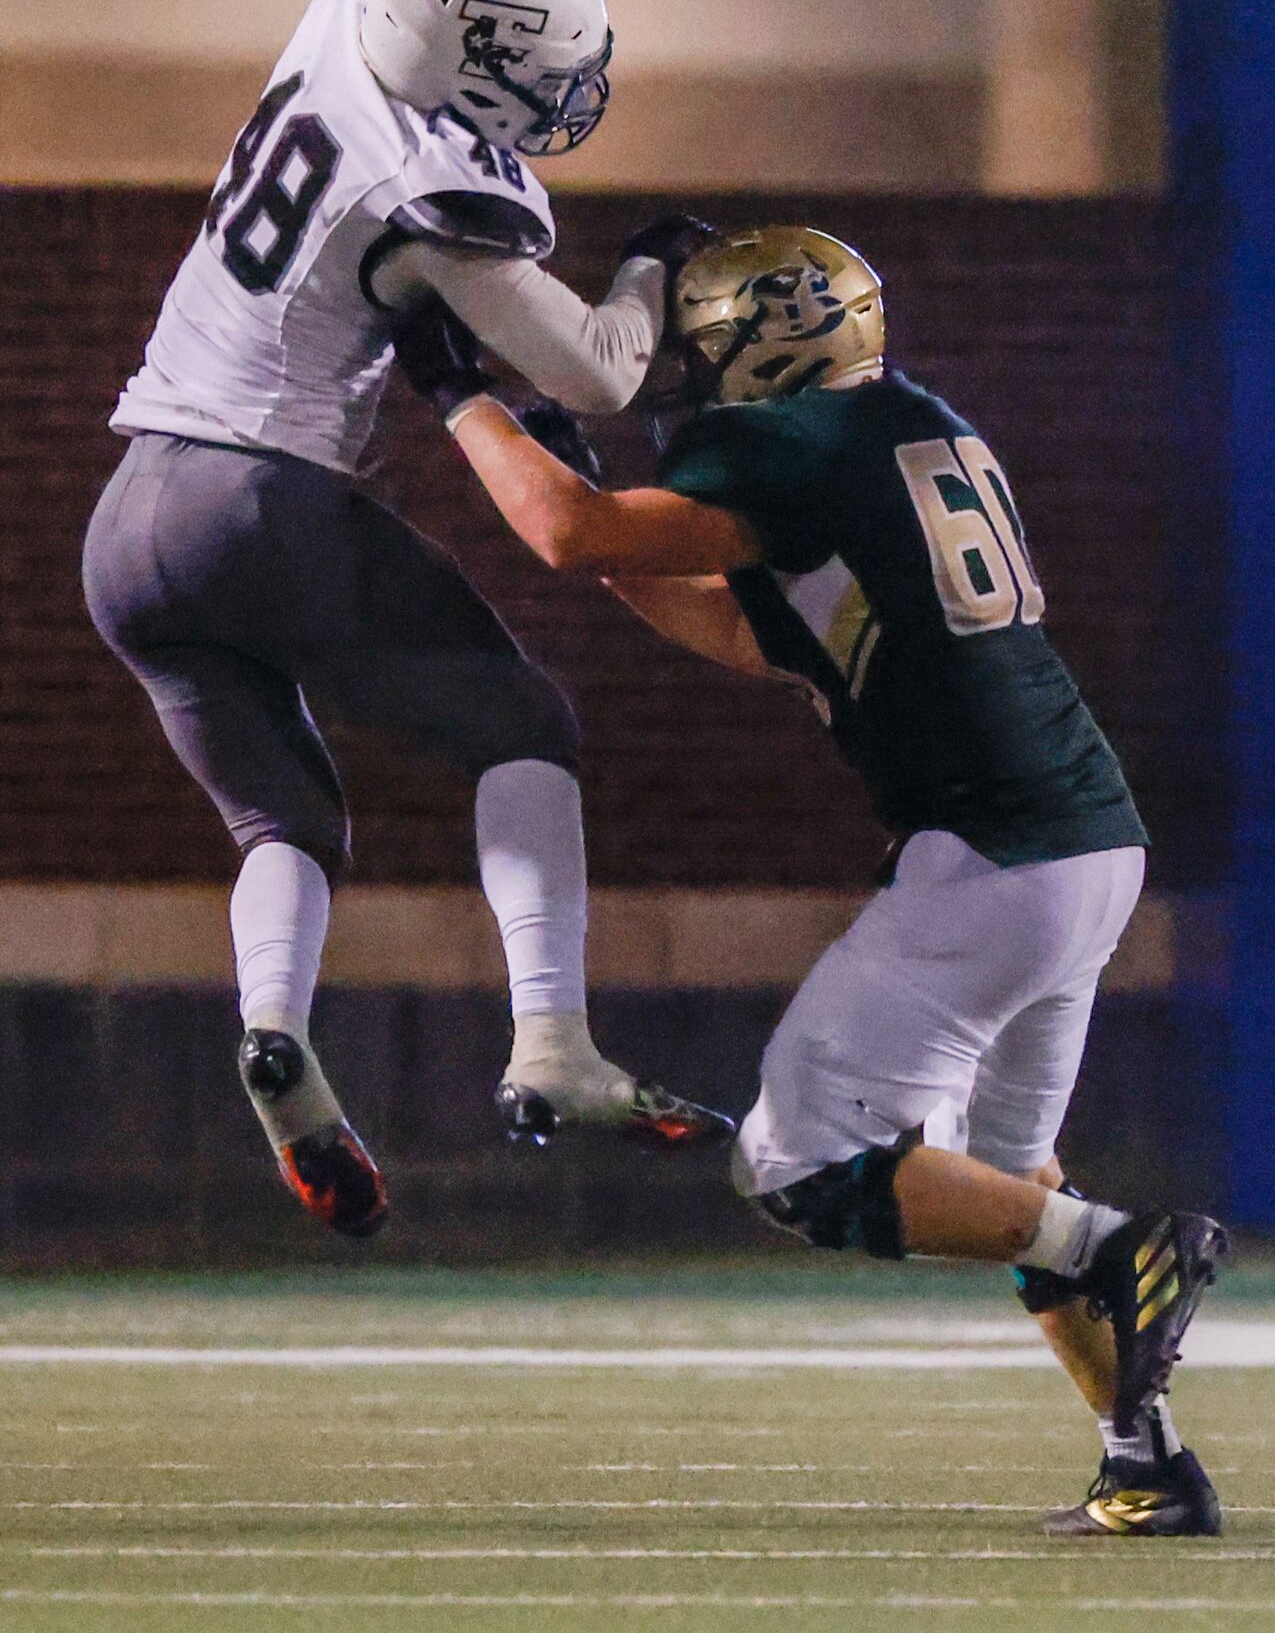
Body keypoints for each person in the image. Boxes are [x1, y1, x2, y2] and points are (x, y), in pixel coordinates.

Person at [79, 0, 879, 1237]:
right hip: (260, 496)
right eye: (553, 69)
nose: (577, 78)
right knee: (524, 729)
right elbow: (595, 367)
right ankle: (555, 1041)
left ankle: (275, 1033)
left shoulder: (356, 3)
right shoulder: (434, 187)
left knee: (284, 814)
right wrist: (644, 263)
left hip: (128, 518)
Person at [400, 225, 1230, 1538]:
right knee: (1008, 1183)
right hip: (1085, 840)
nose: (684, 372)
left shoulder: (802, 443)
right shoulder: (910, 429)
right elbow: (751, 627)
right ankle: (1146, 1459)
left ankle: (1125, 1248)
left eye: (702, 344)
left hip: (989, 854)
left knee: (802, 1161)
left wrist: (458, 396)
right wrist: (589, 506)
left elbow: (567, 532)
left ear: (762, 342)